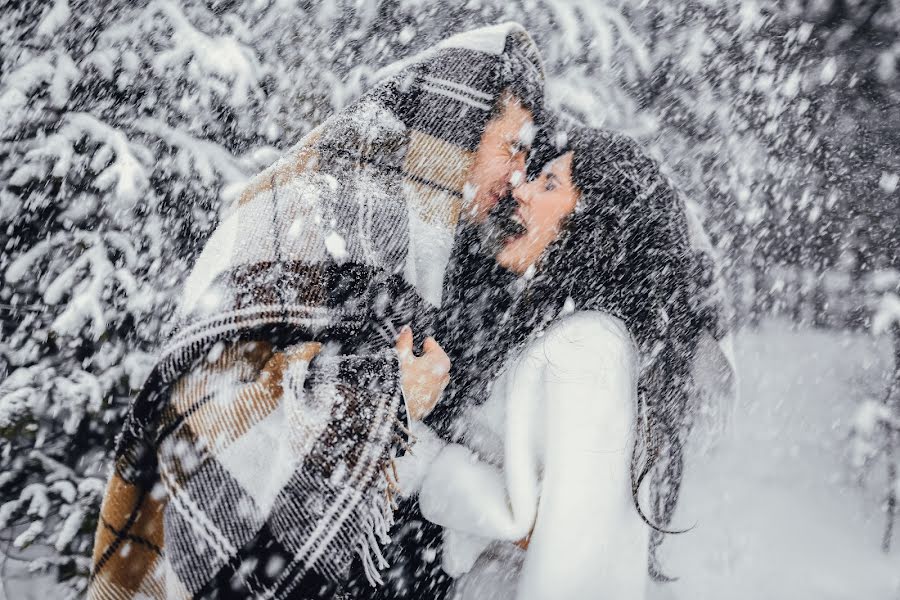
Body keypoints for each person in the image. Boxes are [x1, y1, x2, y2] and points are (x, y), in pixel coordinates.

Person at [88, 23, 544, 600]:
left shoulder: (393, 225)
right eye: (512, 147)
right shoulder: (332, 210)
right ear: (456, 125)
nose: (517, 175)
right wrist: (388, 397)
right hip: (232, 550)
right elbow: (221, 402)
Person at [394, 126, 736, 599]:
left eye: (550, 183)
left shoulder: (589, 350)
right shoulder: (574, 337)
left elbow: (570, 557)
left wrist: (403, 435)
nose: (523, 188)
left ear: (596, 224)